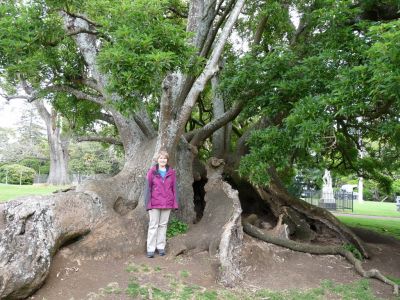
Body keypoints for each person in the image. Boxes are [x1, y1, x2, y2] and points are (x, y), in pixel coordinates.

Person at [144, 150, 179, 258]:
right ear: (157, 160)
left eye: (164, 158)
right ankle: (150, 249)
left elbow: (174, 189)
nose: (162, 160)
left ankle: (160, 247)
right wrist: (147, 204)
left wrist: (175, 203)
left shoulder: (171, 172)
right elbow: (147, 189)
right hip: (154, 203)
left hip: (167, 203)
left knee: (163, 226)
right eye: (160, 158)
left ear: (167, 160)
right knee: (153, 226)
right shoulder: (152, 172)